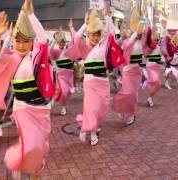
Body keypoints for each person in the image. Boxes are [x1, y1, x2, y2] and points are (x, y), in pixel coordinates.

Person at [0, 0, 54, 179]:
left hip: (42, 108)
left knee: (40, 144)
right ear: (13, 41)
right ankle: (18, 162)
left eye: (26, 41)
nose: (21, 45)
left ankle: (27, 166)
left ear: (32, 42)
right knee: (30, 144)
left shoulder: (37, 57)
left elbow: (45, 40)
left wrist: (30, 14)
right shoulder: (10, 58)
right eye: (18, 41)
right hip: (22, 107)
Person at [65, 6, 116, 146]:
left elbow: (112, 33)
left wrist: (107, 17)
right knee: (92, 108)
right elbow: (75, 38)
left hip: (103, 82)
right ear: (88, 34)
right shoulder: (83, 46)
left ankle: (88, 125)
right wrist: (85, 23)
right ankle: (92, 132)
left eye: (97, 34)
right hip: (90, 82)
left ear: (100, 34)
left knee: (102, 108)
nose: (95, 37)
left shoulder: (103, 45)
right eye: (92, 34)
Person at [112, 6, 143, 125]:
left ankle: (131, 115)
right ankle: (121, 107)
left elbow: (149, 37)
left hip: (137, 72)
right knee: (127, 93)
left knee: (133, 95)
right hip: (127, 72)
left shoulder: (140, 41)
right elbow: (125, 45)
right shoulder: (125, 41)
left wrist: (144, 18)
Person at [50, 28, 74, 116]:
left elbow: (75, 42)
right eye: (60, 42)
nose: (62, 44)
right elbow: (49, 51)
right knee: (61, 89)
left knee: (67, 92)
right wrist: (53, 39)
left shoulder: (68, 50)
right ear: (57, 42)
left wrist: (71, 30)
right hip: (60, 74)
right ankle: (52, 102)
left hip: (69, 75)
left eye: (63, 42)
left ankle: (63, 106)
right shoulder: (56, 52)